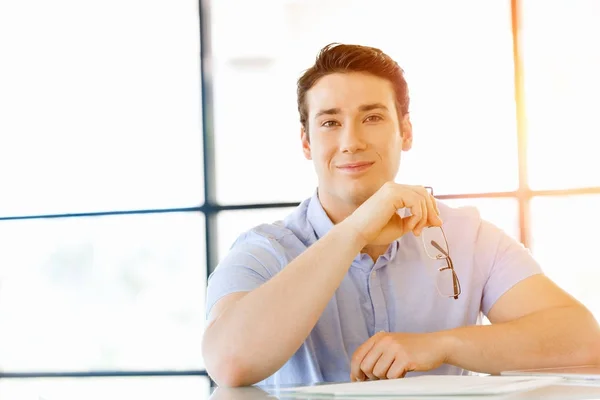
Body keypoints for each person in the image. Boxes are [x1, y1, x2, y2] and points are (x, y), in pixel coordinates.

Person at [201, 43, 600, 387]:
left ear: (405, 131)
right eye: (330, 123)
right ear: (306, 142)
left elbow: (582, 340)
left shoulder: (467, 238)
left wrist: (440, 344)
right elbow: (229, 363)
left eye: (372, 118)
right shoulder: (264, 251)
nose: (351, 142)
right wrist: (356, 230)